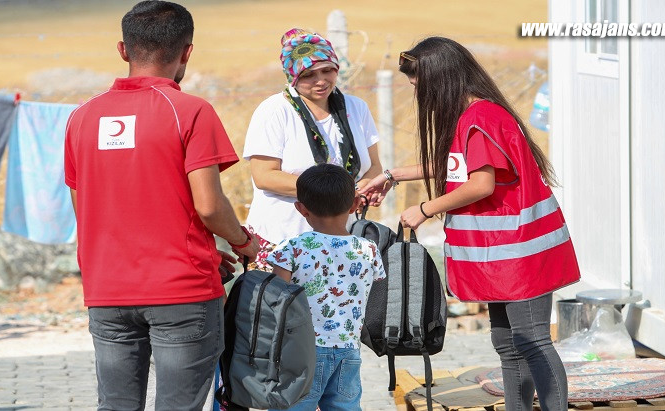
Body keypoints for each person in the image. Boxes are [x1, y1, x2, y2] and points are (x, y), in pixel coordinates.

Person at [361, 37, 580, 411]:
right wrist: (393, 175)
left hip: (520, 256)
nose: (416, 92)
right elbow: (459, 166)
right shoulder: (474, 115)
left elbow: (481, 184)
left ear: (441, 79)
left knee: (531, 341)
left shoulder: (481, 119)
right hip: (503, 257)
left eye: (418, 84)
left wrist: (425, 209)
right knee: (507, 344)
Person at [63, 2, 259, 410]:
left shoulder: (82, 117)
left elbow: (88, 214)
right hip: (181, 291)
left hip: (107, 291)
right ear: (187, 51)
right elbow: (208, 206)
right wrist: (243, 242)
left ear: (122, 49)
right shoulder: (191, 111)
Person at [242, 28, 383, 271]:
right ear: (293, 77)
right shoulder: (275, 110)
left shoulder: (356, 107)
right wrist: (333, 194)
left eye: (327, 70)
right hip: (284, 239)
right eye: (308, 74)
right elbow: (264, 176)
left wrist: (364, 189)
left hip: (340, 236)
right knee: (282, 308)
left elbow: (373, 165)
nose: (321, 81)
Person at [266, 163, 386, 411]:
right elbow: (374, 286)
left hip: (301, 350)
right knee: (345, 406)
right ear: (354, 205)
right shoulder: (368, 249)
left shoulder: (291, 248)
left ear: (301, 209)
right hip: (348, 349)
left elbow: (275, 298)